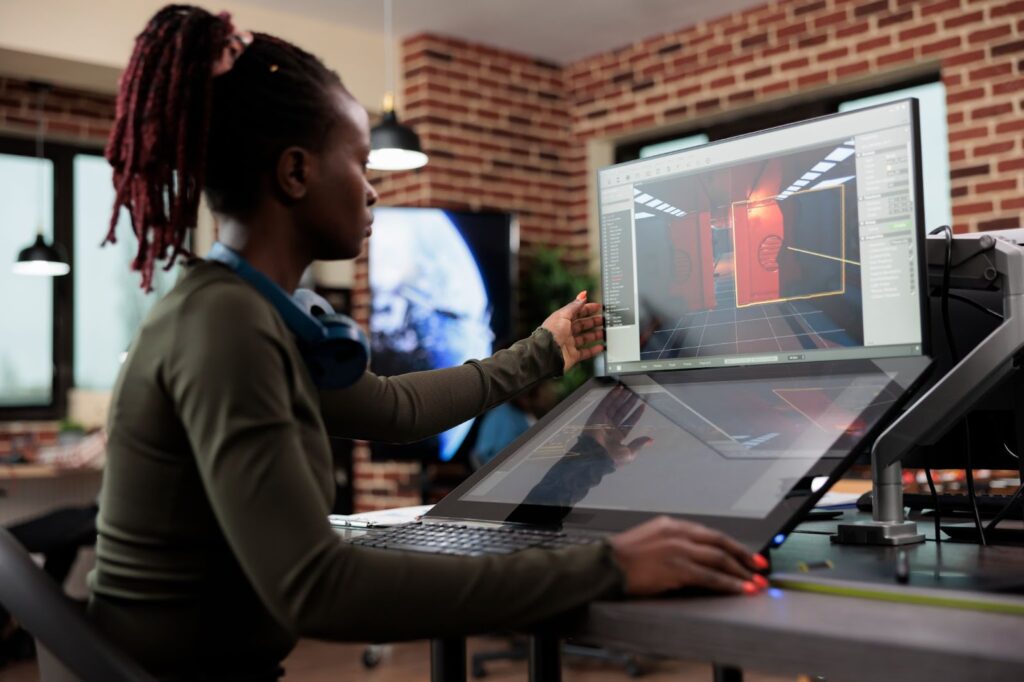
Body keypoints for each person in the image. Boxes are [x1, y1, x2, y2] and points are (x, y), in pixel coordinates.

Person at [89, 6, 767, 680]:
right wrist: (612, 565)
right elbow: (318, 589)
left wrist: (544, 349)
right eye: (359, 163)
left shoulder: (254, 312)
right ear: (296, 174)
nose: (373, 190)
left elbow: (391, 409)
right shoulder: (225, 326)